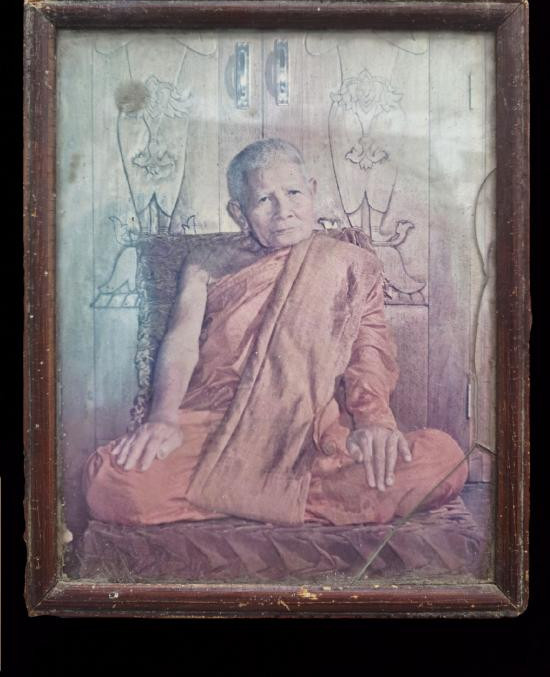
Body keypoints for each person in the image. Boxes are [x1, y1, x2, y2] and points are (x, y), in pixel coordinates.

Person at [83, 138, 468, 527]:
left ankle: (231, 492)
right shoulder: (206, 264)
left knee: (444, 460)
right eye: (265, 200)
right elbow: (181, 344)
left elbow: (369, 355)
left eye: (294, 193)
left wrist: (374, 424)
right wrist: (163, 418)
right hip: (218, 426)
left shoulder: (352, 264)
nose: (284, 211)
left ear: (312, 190)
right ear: (239, 211)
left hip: (309, 430)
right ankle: (293, 497)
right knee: (108, 481)